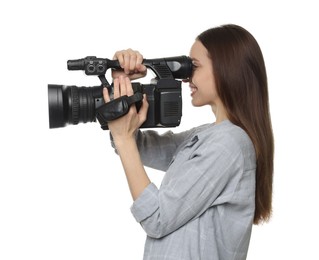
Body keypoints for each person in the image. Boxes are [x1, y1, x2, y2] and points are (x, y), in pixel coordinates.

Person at [103, 24, 274, 260]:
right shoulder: (209, 136)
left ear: (226, 69)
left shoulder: (229, 144)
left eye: (194, 66)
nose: (186, 77)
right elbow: (140, 147)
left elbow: (157, 218)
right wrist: (122, 87)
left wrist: (124, 139)